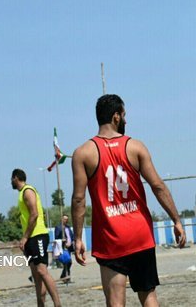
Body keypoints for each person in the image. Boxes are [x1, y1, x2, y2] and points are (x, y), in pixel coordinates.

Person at [71, 94, 186, 307]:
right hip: (139, 234)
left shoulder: (82, 153)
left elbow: (79, 199)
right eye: (124, 115)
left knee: (115, 301)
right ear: (116, 117)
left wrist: (78, 238)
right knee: (148, 296)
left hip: (110, 238)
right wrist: (176, 220)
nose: (126, 120)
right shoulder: (136, 147)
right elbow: (158, 186)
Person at [11, 169, 61, 307]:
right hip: (30, 238)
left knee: (42, 271)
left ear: (16, 178)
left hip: (37, 235)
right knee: (36, 276)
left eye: (12, 179)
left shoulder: (27, 191)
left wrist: (25, 237)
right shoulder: (22, 194)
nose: (11, 182)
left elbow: (34, 214)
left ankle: (58, 304)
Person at [54, 215, 74, 282]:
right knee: (67, 262)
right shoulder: (58, 227)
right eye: (64, 219)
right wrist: (62, 239)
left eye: (67, 219)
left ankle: (64, 276)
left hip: (69, 247)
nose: (66, 220)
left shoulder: (68, 227)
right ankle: (66, 277)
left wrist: (73, 241)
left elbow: (71, 236)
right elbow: (56, 237)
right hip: (62, 247)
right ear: (61, 219)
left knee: (68, 262)